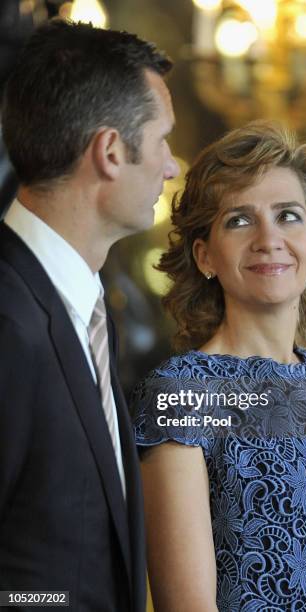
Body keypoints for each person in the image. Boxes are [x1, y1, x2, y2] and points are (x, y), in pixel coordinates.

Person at [131, 121, 306, 611]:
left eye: (288, 216)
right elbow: (188, 607)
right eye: (239, 220)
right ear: (205, 255)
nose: (268, 238)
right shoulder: (183, 393)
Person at [0, 18, 179, 612]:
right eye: (162, 142)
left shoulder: (81, 306)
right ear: (109, 152)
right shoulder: (8, 318)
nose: (173, 166)